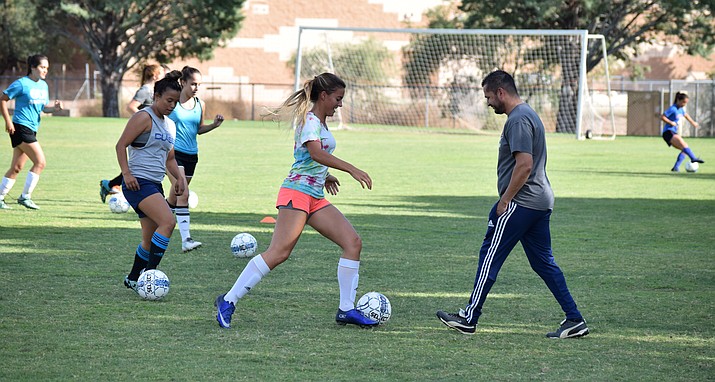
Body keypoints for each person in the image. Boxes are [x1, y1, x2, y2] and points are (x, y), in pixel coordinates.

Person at [214, 73, 378, 329]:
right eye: (338, 98)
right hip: (297, 194)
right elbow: (315, 152)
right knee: (279, 253)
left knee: (353, 243)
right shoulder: (310, 120)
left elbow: (308, 158)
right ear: (323, 96)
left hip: (314, 196)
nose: (340, 104)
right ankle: (228, 300)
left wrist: (325, 175)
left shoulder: (320, 124)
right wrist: (351, 169)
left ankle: (346, 309)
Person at [436, 70, 589, 339]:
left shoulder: (517, 120)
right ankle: (575, 319)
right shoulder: (527, 113)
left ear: (501, 92)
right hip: (540, 201)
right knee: (544, 264)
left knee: (489, 258)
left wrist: (505, 199)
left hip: (522, 202)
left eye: (488, 97)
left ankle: (469, 318)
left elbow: (525, 165)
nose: (488, 103)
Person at [117, 70, 186, 293]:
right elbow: (120, 145)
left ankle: (132, 277)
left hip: (154, 184)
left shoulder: (170, 125)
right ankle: (150, 276)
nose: (172, 105)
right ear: (156, 96)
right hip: (137, 182)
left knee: (148, 240)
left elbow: (170, 158)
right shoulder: (143, 117)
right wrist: (126, 174)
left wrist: (178, 178)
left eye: (175, 102)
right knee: (168, 221)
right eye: (168, 100)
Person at [166, 66, 224, 252]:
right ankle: (186, 240)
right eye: (193, 84)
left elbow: (198, 129)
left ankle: (155, 222)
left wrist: (214, 125)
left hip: (192, 156)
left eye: (199, 84)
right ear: (183, 82)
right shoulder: (172, 103)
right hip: (173, 154)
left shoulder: (200, 104)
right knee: (184, 193)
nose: (196, 88)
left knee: (175, 196)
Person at [0, 54, 63, 210]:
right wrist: (8, 121)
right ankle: (25, 197)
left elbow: (42, 108)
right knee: (40, 162)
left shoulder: (44, 86)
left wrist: (54, 109)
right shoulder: (21, 84)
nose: (45, 71)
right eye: (42, 67)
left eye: (47, 68)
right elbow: (2, 99)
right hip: (20, 127)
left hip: (32, 129)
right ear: (33, 67)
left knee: (16, 167)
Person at [100, 64, 165, 202]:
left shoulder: (153, 91)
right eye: (162, 73)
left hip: (151, 133)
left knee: (140, 167)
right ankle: (111, 184)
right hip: (142, 132)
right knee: (137, 168)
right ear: (155, 75)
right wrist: (147, 120)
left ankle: (110, 184)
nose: (164, 76)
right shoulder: (145, 90)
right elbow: (131, 106)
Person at [660, 92, 704, 172]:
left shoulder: (681, 110)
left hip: (673, 132)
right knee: (684, 145)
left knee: (685, 149)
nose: (684, 104)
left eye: (686, 103)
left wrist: (693, 123)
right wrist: (671, 122)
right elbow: (662, 117)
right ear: (678, 100)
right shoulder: (673, 109)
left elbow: (686, 115)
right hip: (668, 132)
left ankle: (675, 168)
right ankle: (693, 158)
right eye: (683, 102)